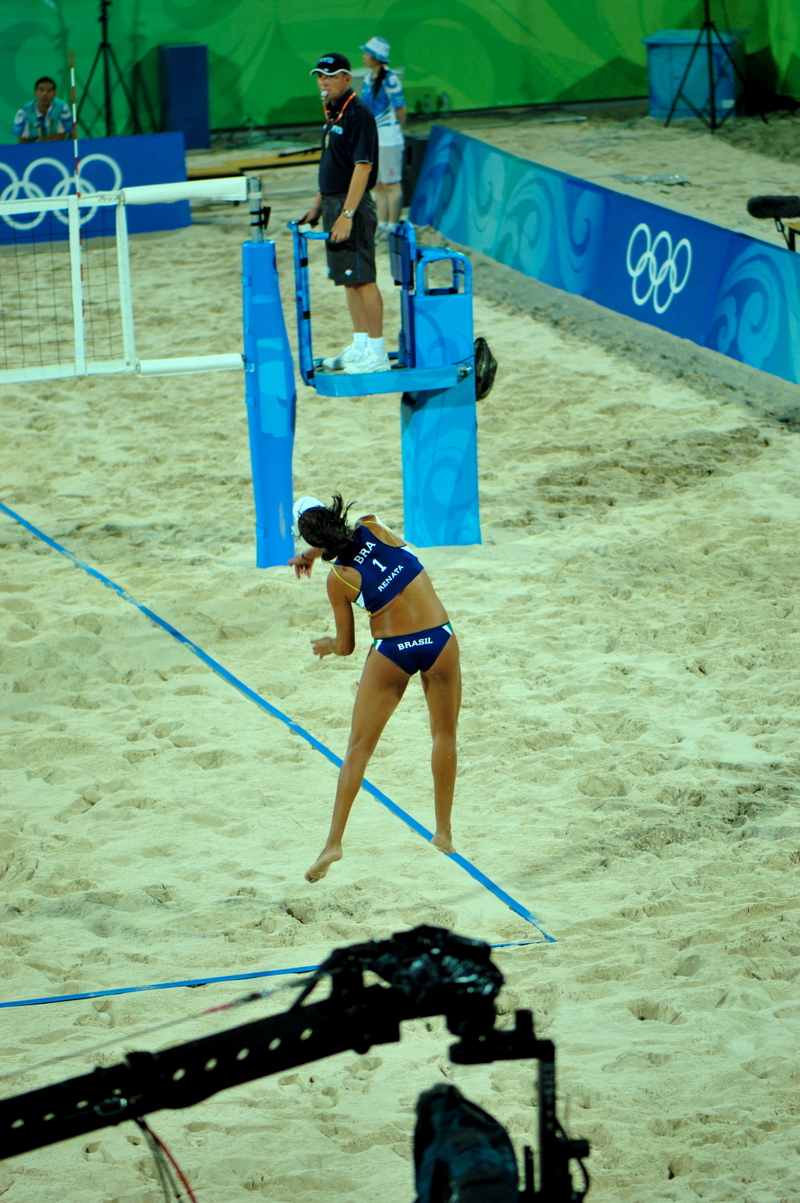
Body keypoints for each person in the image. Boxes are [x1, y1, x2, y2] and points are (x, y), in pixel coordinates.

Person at [289, 494, 461, 883]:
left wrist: (328, 646)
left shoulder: (339, 581)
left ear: (312, 541)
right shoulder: (373, 525)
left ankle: (333, 844)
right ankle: (444, 832)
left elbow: (346, 646)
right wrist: (312, 553)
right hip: (439, 639)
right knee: (444, 734)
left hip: (394, 652)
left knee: (358, 749)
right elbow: (349, 540)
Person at [301, 54, 390, 375]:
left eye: (330, 76)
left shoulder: (358, 112)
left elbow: (362, 167)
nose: (323, 81)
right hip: (333, 204)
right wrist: (318, 204)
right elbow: (332, 164)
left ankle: (378, 353)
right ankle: (361, 344)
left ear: (346, 79)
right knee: (348, 280)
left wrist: (347, 213)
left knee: (364, 279)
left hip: (351, 206)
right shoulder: (332, 111)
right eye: (320, 76)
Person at [359, 37, 407, 238]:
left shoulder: (391, 79)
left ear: (376, 57)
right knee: (378, 185)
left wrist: (396, 130)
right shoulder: (368, 78)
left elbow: (401, 108)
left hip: (388, 139)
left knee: (391, 184)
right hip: (374, 138)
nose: (363, 57)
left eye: (367, 53)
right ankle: (383, 224)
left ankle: (393, 225)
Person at [14, 78, 72, 143]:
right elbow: (21, 139)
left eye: (49, 91)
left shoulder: (62, 107)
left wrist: (43, 143)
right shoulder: (23, 111)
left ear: (55, 94)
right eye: (41, 90)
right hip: (31, 148)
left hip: (56, 146)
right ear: (35, 93)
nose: (44, 94)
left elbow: (62, 135)